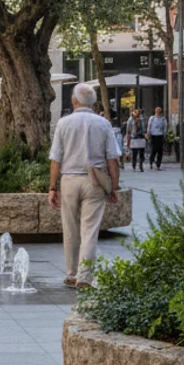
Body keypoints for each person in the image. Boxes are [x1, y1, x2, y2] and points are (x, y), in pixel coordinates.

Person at [49, 84, 121, 289]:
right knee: (90, 230)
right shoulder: (103, 124)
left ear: (74, 101)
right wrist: (113, 186)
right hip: (95, 181)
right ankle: (85, 276)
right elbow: (112, 159)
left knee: (70, 228)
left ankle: (71, 273)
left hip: (69, 180)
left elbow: (55, 158)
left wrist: (52, 187)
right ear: (94, 103)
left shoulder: (64, 123)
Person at [125, 108, 147, 173]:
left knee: (141, 154)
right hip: (134, 138)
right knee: (134, 154)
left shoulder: (142, 119)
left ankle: (141, 166)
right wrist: (127, 139)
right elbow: (128, 131)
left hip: (141, 138)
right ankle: (134, 166)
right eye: (135, 112)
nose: (136, 114)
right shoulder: (130, 120)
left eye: (137, 112)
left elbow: (144, 128)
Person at [148, 106, 168, 171]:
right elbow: (149, 126)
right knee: (153, 150)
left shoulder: (163, 119)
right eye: (157, 111)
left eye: (159, 111)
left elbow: (165, 127)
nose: (158, 112)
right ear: (155, 112)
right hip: (153, 136)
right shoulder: (152, 118)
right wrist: (148, 134)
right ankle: (151, 162)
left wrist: (164, 134)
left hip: (160, 136)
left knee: (160, 152)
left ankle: (158, 165)